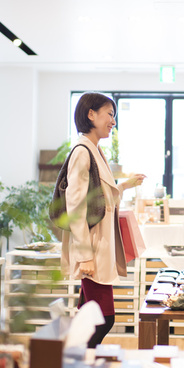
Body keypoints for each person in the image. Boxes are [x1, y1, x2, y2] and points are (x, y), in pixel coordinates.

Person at [61, 92, 145, 348]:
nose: (113, 121)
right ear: (91, 114)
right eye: (110, 114)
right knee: (103, 319)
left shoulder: (94, 151)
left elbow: (100, 199)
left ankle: (73, 361)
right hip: (92, 250)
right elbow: (75, 206)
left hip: (99, 247)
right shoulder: (82, 151)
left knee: (87, 316)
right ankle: (72, 361)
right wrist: (85, 255)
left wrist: (125, 186)